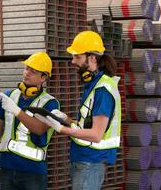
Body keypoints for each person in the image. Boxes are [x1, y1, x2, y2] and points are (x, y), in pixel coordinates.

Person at [35, 31, 121, 190]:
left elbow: (96, 135)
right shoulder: (95, 85)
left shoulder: (102, 90)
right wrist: (66, 119)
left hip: (90, 163)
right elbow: (88, 126)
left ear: (92, 58)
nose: (73, 61)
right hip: (84, 161)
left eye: (77, 57)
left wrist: (63, 129)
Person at [0, 52, 60, 190]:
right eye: (27, 68)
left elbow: (40, 129)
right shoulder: (10, 96)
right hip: (7, 168)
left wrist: (16, 111)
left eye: (33, 71)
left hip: (33, 172)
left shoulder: (51, 103)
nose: (27, 73)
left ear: (43, 77)